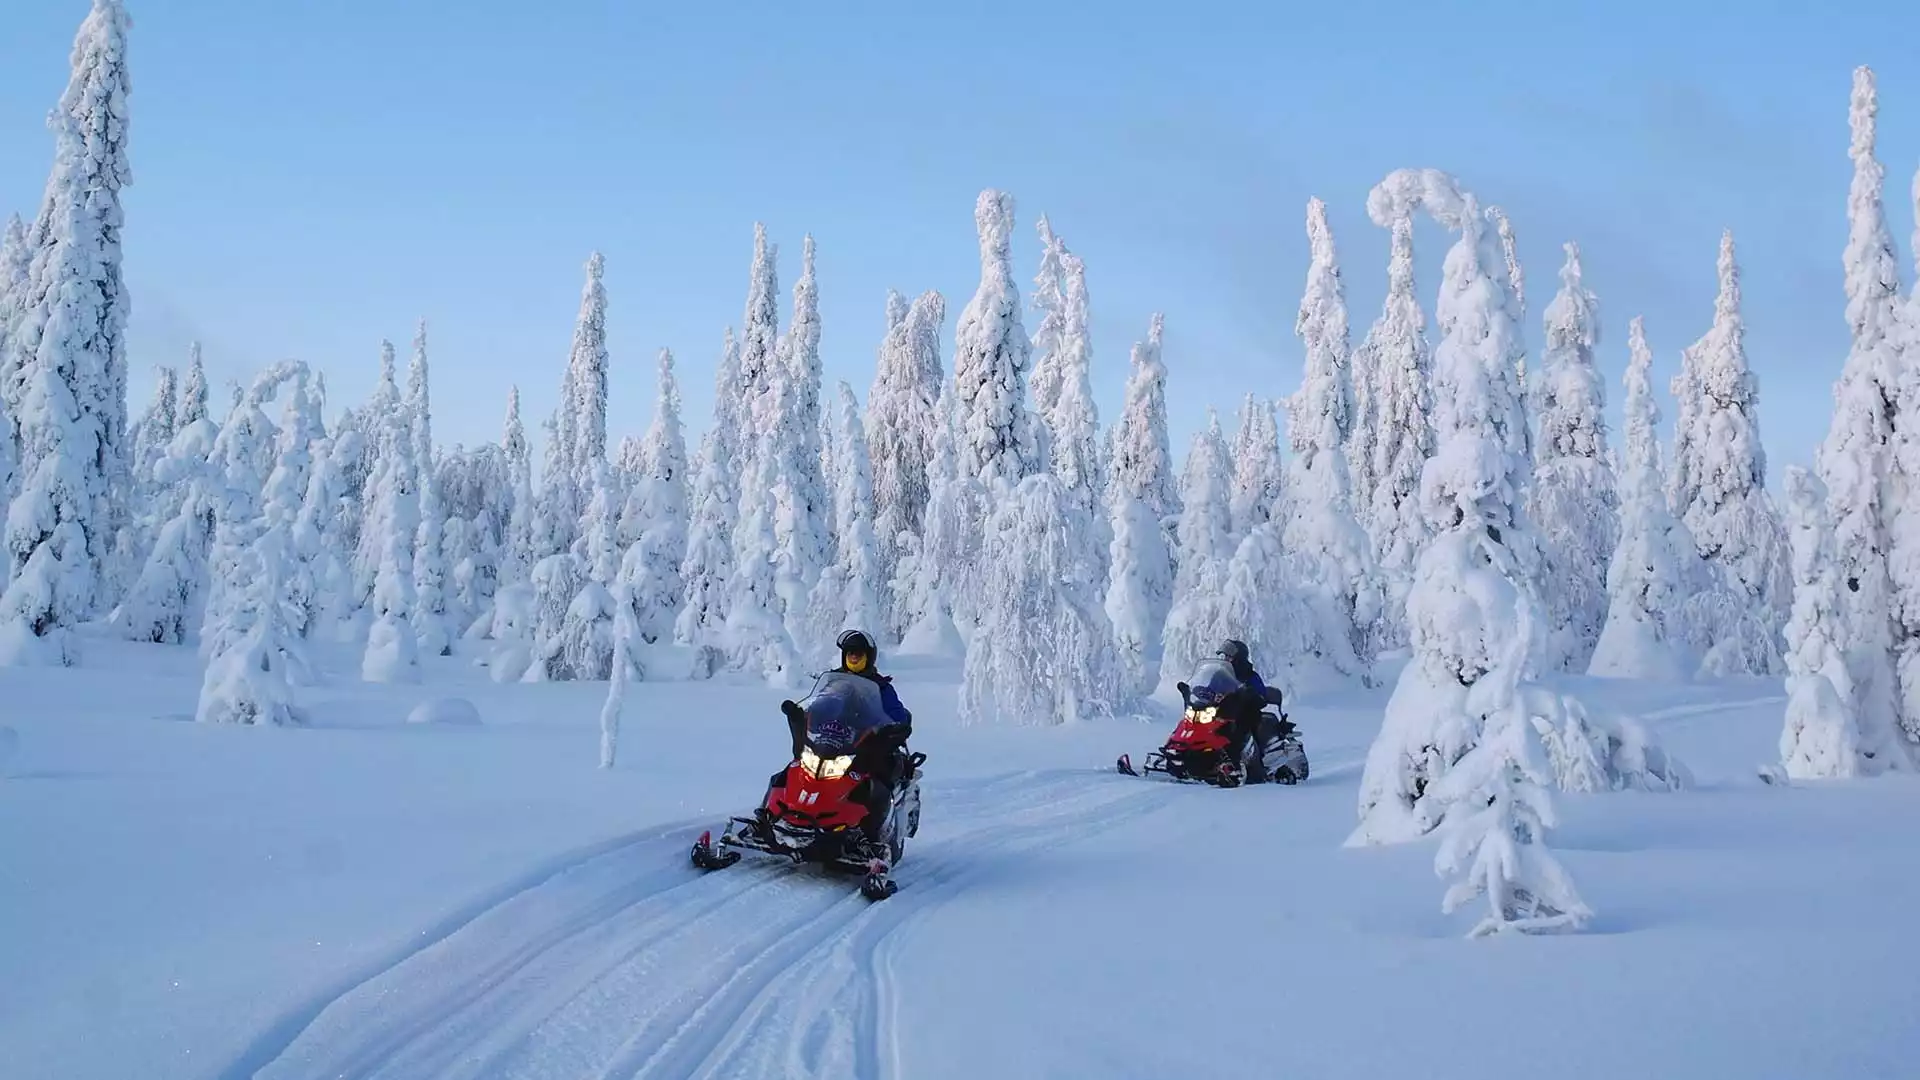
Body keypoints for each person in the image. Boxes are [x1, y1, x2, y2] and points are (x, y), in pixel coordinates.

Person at [772, 629, 915, 850]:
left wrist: (896, 726)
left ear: (868, 657)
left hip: (867, 745)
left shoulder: (882, 688)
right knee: (792, 771)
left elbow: (896, 714)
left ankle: (878, 839)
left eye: (858, 653)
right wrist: (799, 713)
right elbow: (819, 704)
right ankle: (767, 817)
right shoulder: (835, 682)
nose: (854, 657)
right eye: (850, 653)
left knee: (876, 784)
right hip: (832, 742)